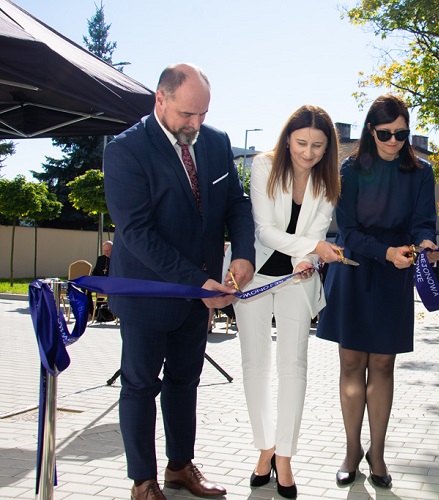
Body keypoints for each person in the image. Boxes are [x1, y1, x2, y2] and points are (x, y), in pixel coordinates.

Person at [104, 63, 256, 500]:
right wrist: (198, 281)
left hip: (198, 298)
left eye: (203, 115)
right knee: (140, 385)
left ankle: (179, 467)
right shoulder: (125, 151)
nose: (196, 124)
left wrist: (242, 254)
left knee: (185, 381)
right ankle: (143, 482)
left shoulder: (216, 142)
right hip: (148, 293)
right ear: (161, 100)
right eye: (188, 115)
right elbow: (137, 233)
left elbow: (236, 204)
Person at [316, 94, 439, 489]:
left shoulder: (422, 172)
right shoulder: (349, 170)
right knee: (351, 364)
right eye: (385, 133)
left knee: (383, 365)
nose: (393, 141)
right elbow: (347, 231)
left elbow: (424, 222)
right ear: (371, 130)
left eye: (401, 134)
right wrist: (384, 251)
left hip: (395, 273)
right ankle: (352, 450)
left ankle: (378, 452)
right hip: (354, 269)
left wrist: (425, 244)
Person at [233, 105, 342, 499]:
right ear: (287, 139)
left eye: (317, 146)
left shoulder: (329, 182)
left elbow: (315, 234)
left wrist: (308, 259)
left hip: (297, 280)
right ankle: (265, 448)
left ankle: (285, 457)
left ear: (327, 148)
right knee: (255, 365)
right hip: (256, 277)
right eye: (301, 143)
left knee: (294, 366)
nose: (308, 153)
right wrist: (314, 247)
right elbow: (265, 230)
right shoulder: (264, 166)